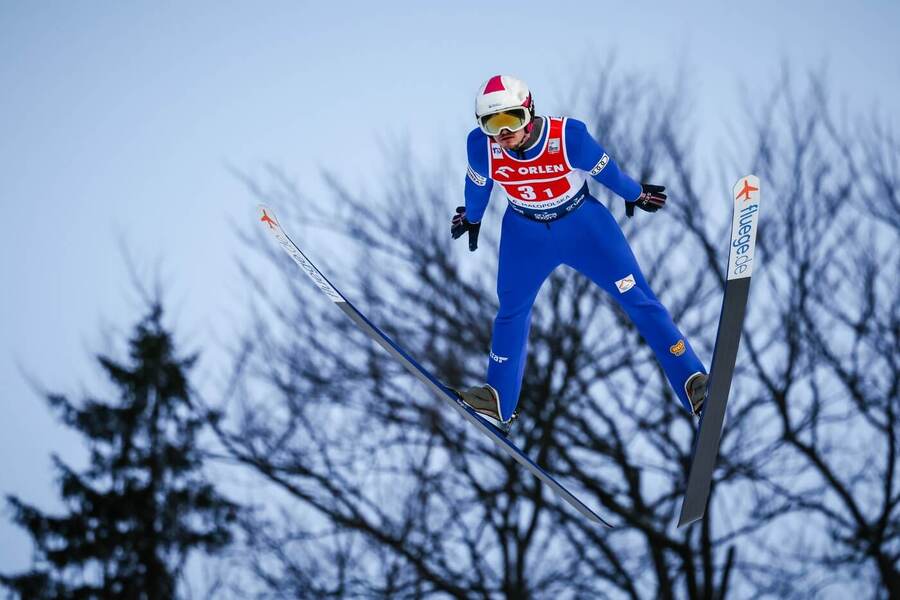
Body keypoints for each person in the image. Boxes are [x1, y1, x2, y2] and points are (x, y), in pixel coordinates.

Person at [451, 74, 707, 428]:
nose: (504, 132)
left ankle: (692, 380)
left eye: (512, 119)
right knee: (511, 311)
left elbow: (608, 171)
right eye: (492, 124)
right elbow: (477, 186)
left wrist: (635, 194)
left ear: (529, 111)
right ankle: (498, 400)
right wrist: (472, 217)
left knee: (638, 298)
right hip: (525, 236)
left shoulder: (568, 137)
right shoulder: (481, 147)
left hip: (584, 228)